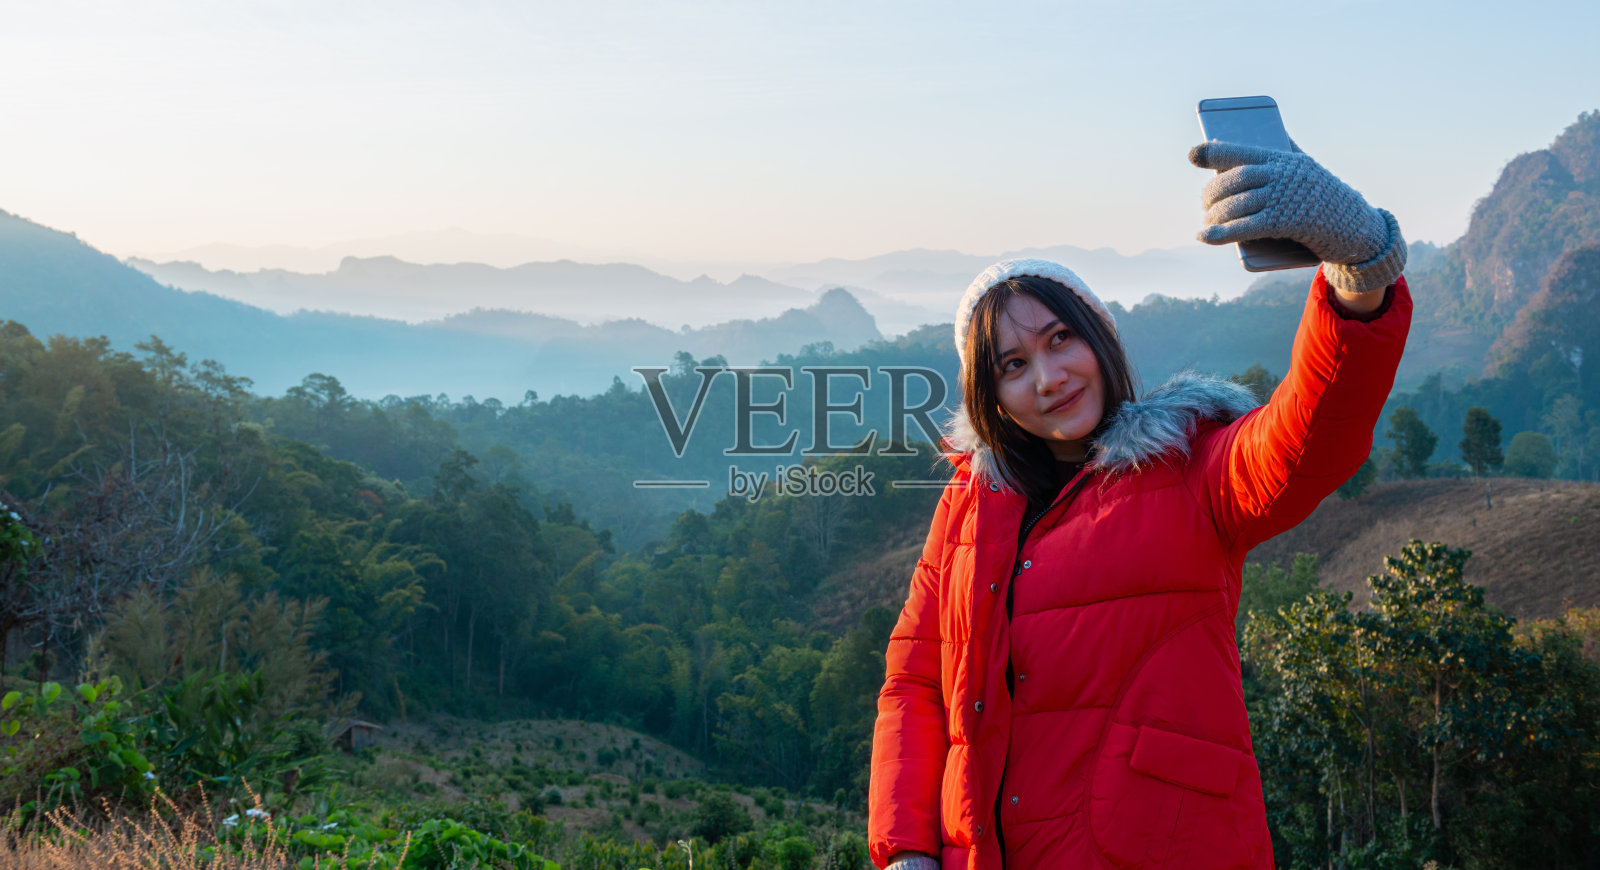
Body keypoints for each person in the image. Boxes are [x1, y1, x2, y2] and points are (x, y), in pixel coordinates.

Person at [866, 140, 1413, 869]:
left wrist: (1360, 274)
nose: (1050, 378)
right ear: (989, 394)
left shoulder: (1191, 465)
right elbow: (915, 679)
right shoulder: (970, 505)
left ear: (1100, 338)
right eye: (1014, 365)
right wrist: (907, 848)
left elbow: (1308, 438)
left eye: (1062, 340)